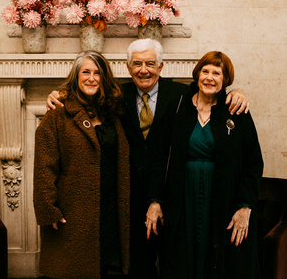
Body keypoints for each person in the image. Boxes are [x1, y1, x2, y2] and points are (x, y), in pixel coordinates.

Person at [46, 39, 250, 278]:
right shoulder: (115, 95)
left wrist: (237, 93)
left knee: (176, 259)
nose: (144, 69)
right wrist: (58, 94)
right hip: (129, 194)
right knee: (138, 264)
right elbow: (86, 97)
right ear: (128, 67)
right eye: (137, 64)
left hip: (174, 193)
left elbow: (212, 91)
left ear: (161, 66)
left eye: (150, 63)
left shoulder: (182, 94)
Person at [154, 51, 264, 278]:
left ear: (225, 80)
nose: (209, 77)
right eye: (205, 71)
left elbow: (253, 162)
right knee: (182, 257)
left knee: (219, 259)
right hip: (183, 198)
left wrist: (245, 205)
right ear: (197, 74)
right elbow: (158, 155)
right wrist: (154, 200)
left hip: (224, 199)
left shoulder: (236, 109)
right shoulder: (178, 106)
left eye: (217, 73)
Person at [33, 51, 130, 279]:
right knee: (72, 270)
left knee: (103, 266)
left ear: (104, 78)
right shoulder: (58, 113)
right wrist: (49, 209)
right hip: (73, 210)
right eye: (85, 72)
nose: (91, 78)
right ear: (76, 76)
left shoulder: (112, 113)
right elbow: (44, 167)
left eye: (98, 73)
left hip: (108, 208)